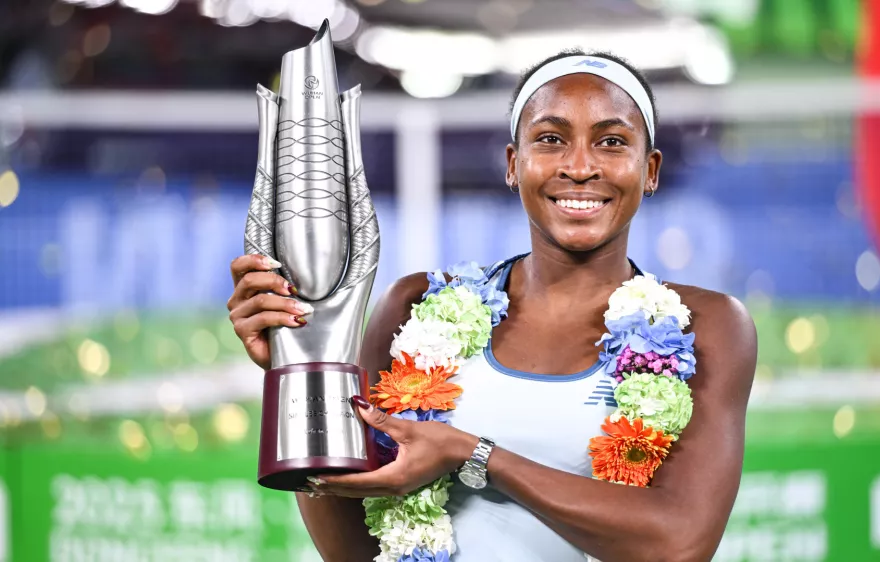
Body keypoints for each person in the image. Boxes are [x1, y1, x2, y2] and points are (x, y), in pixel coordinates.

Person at [227, 49, 758, 562]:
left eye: (612, 142)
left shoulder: (705, 327)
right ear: (513, 163)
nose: (579, 166)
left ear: (651, 170)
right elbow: (356, 552)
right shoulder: (415, 307)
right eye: (550, 139)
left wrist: (473, 453)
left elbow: (678, 545)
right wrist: (300, 365)